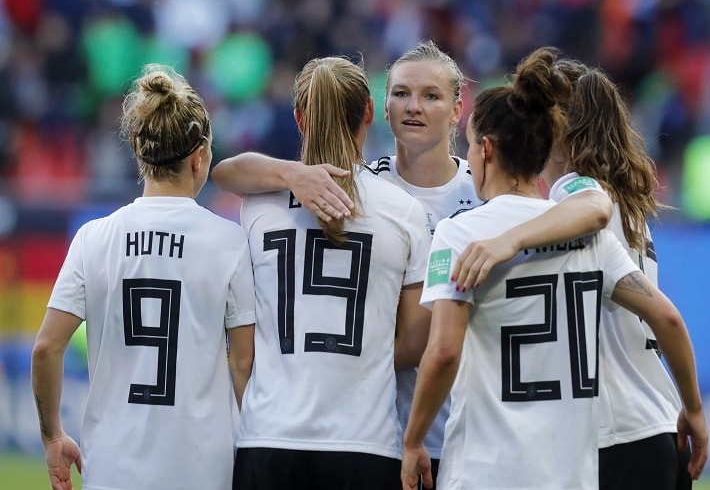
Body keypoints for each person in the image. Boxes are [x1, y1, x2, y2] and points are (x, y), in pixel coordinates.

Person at [212, 42, 612, 488]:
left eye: (431, 95)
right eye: (401, 93)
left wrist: (510, 240)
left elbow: (588, 210)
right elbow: (228, 172)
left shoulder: (488, 188)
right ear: (378, 109)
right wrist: (291, 172)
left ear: (458, 109)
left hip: (464, 426)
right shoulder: (360, 186)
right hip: (386, 430)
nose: (413, 107)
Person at [400, 47, 708, 490]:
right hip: (652, 417)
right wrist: (692, 406)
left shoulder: (573, 197)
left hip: (603, 431)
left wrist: (508, 240)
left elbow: (592, 208)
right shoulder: (624, 206)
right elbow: (668, 317)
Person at [30, 64, 257, 490]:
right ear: (199, 156)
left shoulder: (93, 238)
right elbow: (244, 364)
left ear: (139, 152)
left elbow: (46, 348)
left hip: (111, 470)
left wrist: (52, 436)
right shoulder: (230, 241)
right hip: (203, 471)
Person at [227, 56, 432, 490]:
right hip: (365, 441)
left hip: (268, 437)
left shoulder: (258, 205)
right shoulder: (403, 211)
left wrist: (287, 174)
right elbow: (416, 341)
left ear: (299, 118)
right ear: (369, 113)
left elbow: (224, 170)